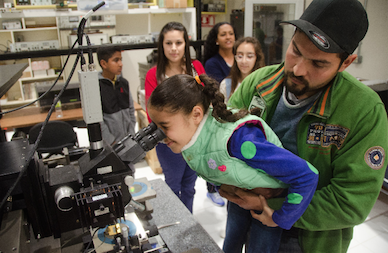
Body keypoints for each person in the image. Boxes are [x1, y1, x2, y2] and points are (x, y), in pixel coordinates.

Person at [224, 0, 388, 252]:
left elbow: (351, 201)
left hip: (307, 238)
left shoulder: (363, 111)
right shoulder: (257, 83)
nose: (298, 69)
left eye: (318, 63)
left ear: (346, 63)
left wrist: (275, 209)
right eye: (296, 51)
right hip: (246, 218)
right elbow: (219, 142)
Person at [147, 74, 319, 253]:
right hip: (241, 194)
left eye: (164, 127)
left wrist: (279, 217)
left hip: (268, 202)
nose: (159, 136)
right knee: (230, 245)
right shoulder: (191, 138)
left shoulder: (240, 141)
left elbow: (307, 175)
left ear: (196, 114)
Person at [144, 21, 205, 213]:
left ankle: (189, 222)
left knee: (189, 186)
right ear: (161, 46)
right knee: (172, 185)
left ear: (185, 44)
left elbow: (206, 102)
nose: (173, 48)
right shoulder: (154, 75)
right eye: (168, 43)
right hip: (168, 141)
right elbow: (151, 114)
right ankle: (176, 225)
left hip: (195, 140)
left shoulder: (196, 68)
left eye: (178, 43)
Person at [203, 22, 237, 206]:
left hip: (238, 110)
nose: (228, 37)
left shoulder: (239, 57)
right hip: (220, 110)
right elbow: (217, 90)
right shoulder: (212, 63)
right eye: (223, 34)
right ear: (216, 40)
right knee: (216, 149)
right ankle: (212, 188)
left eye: (231, 33)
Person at [97, 45, 137, 174]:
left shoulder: (123, 83)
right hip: (110, 145)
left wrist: (131, 132)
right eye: (116, 60)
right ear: (104, 63)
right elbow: (98, 119)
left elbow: (131, 109)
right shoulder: (96, 86)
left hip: (127, 141)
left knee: (129, 174)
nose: (121, 64)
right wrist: (111, 140)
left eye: (121, 59)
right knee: (114, 176)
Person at [219, 37, 265, 103]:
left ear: (257, 58)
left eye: (249, 56)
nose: (244, 61)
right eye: (240, 56)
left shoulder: (264, 85)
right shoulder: (226, 85)